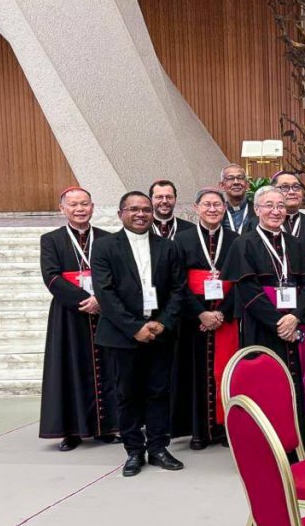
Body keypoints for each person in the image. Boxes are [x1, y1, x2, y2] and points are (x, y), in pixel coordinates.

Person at [91, 192, 186, 477]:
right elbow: (105, 293)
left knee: (159, 392)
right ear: (121, 213)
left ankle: (158, 448)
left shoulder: (168, 247)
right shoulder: (104, 247)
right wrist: (135, 328)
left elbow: (178, 289)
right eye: (133, 209)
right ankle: (134, 450)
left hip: (159, 332)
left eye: (146, 209)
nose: (141, 214)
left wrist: (163, 323)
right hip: (122, 335)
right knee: (126, 394)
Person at [220, 186, 305, 448]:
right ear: (257, 209)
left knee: (295, 382)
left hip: (295, 324)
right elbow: (248, 291)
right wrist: (278, 323)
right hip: (261, 327)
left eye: (280, 206)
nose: (276, 211)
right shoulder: (244, 244)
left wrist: (295, 317)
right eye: (269, 205)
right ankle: (267, 448)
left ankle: (297, 443)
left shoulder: (295, 244)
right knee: (265, 384)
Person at [39, 187, 117, 451]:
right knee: (69, 369)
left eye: (84, 204)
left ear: (92, 207)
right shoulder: (51, 240)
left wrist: (100, 299)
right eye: (73, 205)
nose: (80, 209)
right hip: (69, 314)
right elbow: (51, 277)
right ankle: (71, 431)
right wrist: (85, 300)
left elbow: (116, 274)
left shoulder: (107, 239)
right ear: (62, 209)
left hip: (103, 312)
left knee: (107, 369)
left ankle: (106, 427)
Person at [171, 188, 239, 450]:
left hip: (225, 317)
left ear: (224, 208)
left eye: (217, 205)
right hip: (193, 319)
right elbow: (177, 281)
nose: (212, 209)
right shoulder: (182, 239)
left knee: (226, 373)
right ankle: (198, 431)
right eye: (207, 205)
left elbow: (241, 282)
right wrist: (200, 313)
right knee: (195, 373)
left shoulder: (235, 239)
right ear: (196, 208)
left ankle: (224, 429)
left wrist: (221, 313)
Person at [273, 171, 305, 252]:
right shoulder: (258, 224)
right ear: (272, 191)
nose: (292, 192)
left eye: (296, 187)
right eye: (285, 187)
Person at [219, 164, 253, 234]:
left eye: (240, 178)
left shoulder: (258, 211)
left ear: (247, 185)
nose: (236, 182)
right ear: (222, 186)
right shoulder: (217, 213)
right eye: (230, 178)